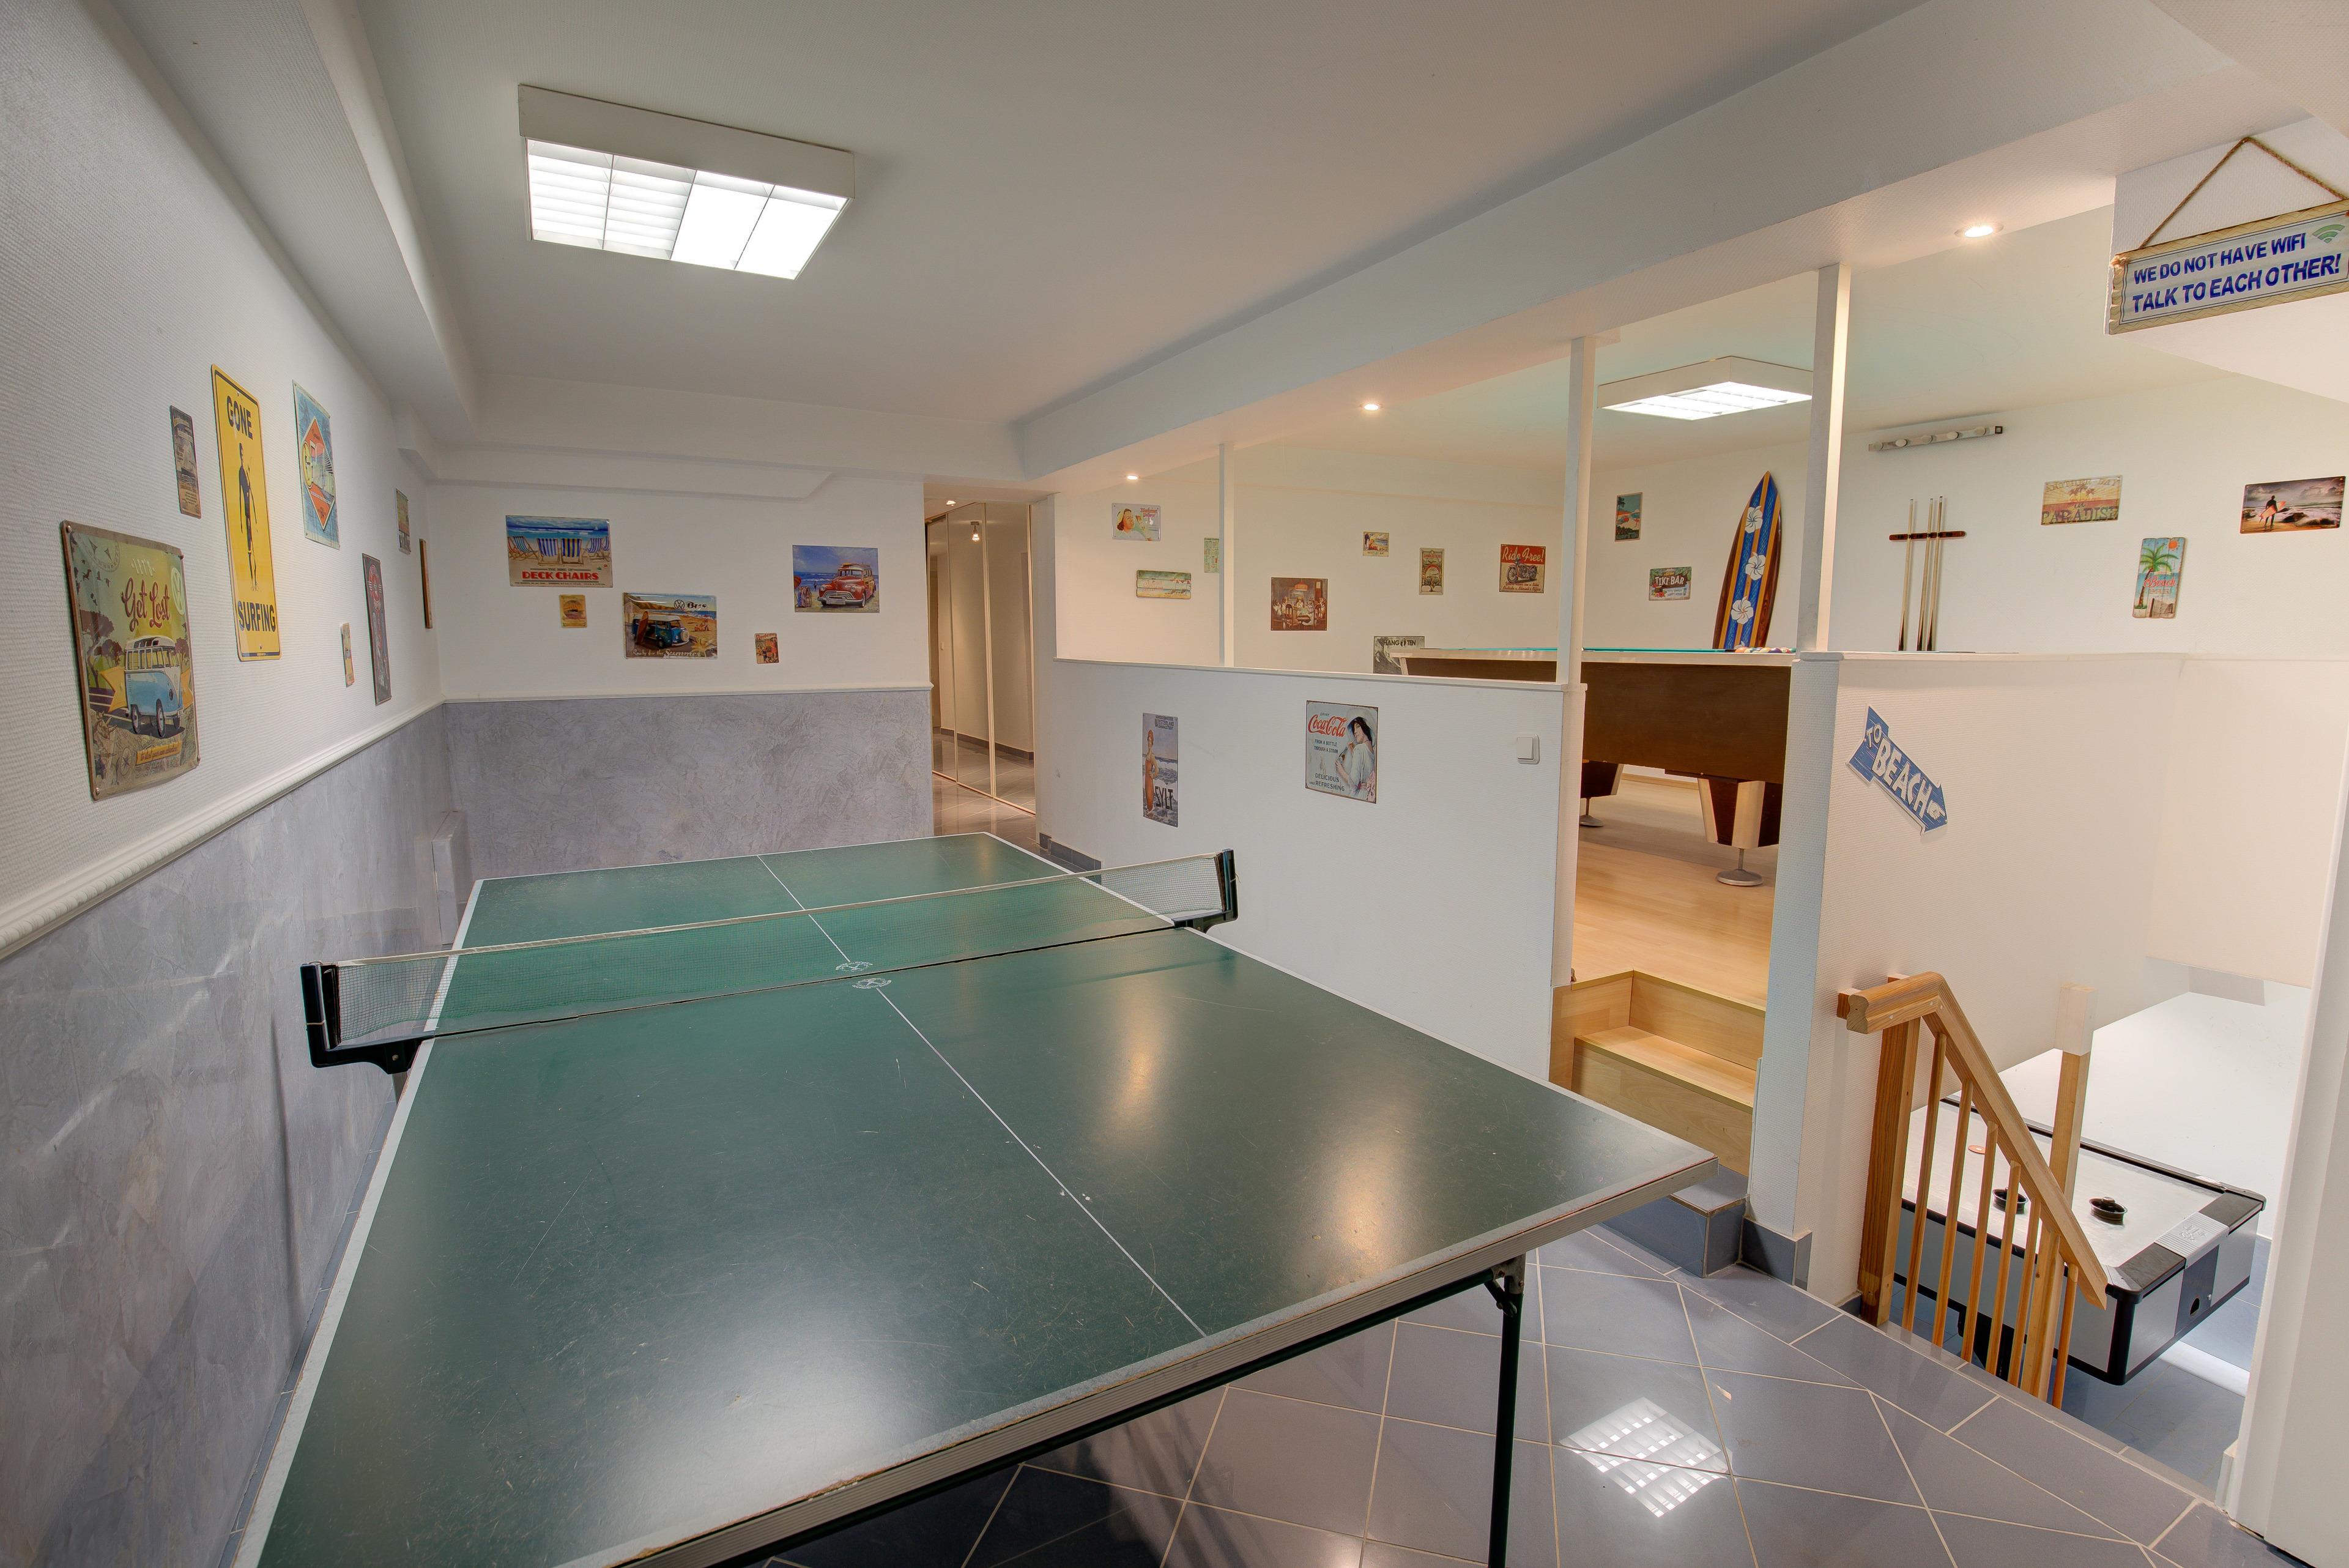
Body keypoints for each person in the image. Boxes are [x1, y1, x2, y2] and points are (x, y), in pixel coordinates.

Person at [1335, 714, 1376, 800]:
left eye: (1358, 727)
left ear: (1365, 727)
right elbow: (1364, 764)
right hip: (1369, 796)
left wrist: (1341, 771)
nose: (1355, 732)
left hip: (1360, 796)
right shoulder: (1372, 750)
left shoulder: (1359, 749)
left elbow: (1354, 783)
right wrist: (1353, 751)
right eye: (1354, 729)